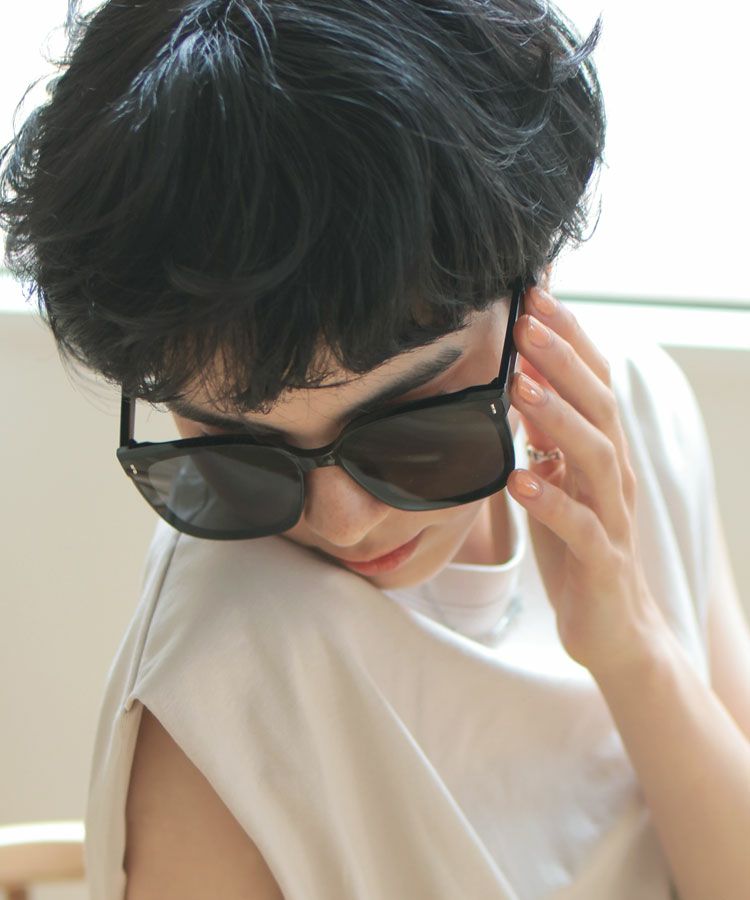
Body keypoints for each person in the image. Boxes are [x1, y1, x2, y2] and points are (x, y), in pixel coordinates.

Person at [1, 1, 749, 898]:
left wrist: (634, 649)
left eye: (412, 427)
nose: (345, 521)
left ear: (535, 280)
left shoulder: (630, 417)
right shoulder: (224, 680)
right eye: (244, 451)